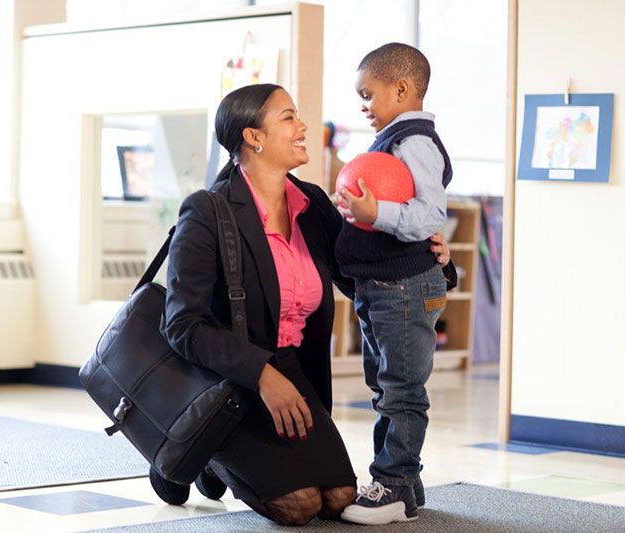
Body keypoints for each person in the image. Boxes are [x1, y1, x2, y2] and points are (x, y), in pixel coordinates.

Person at [155, 83, 452, 527]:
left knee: (339, 498)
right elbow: (182, 324)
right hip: (230, 380)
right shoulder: (207, 211)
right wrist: (262, 374)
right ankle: (209, 455)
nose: (303, 126)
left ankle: (223, 457)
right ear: (253, 137)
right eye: (289, 117)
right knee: (299, 506)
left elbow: (362, 270)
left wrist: (432, 264)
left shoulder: (311, 203)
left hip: (294, 376)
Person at [335, 43, 453, 525]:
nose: (364, 105)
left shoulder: (414, 143)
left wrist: (374, 212)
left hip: (404, 288)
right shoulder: (392, 141)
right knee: (384, 386)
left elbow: (429, 213)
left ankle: (395, 483)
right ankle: (407, 483)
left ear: (402, 88)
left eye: (369, 94)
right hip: (381, 288)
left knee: (401, 390)